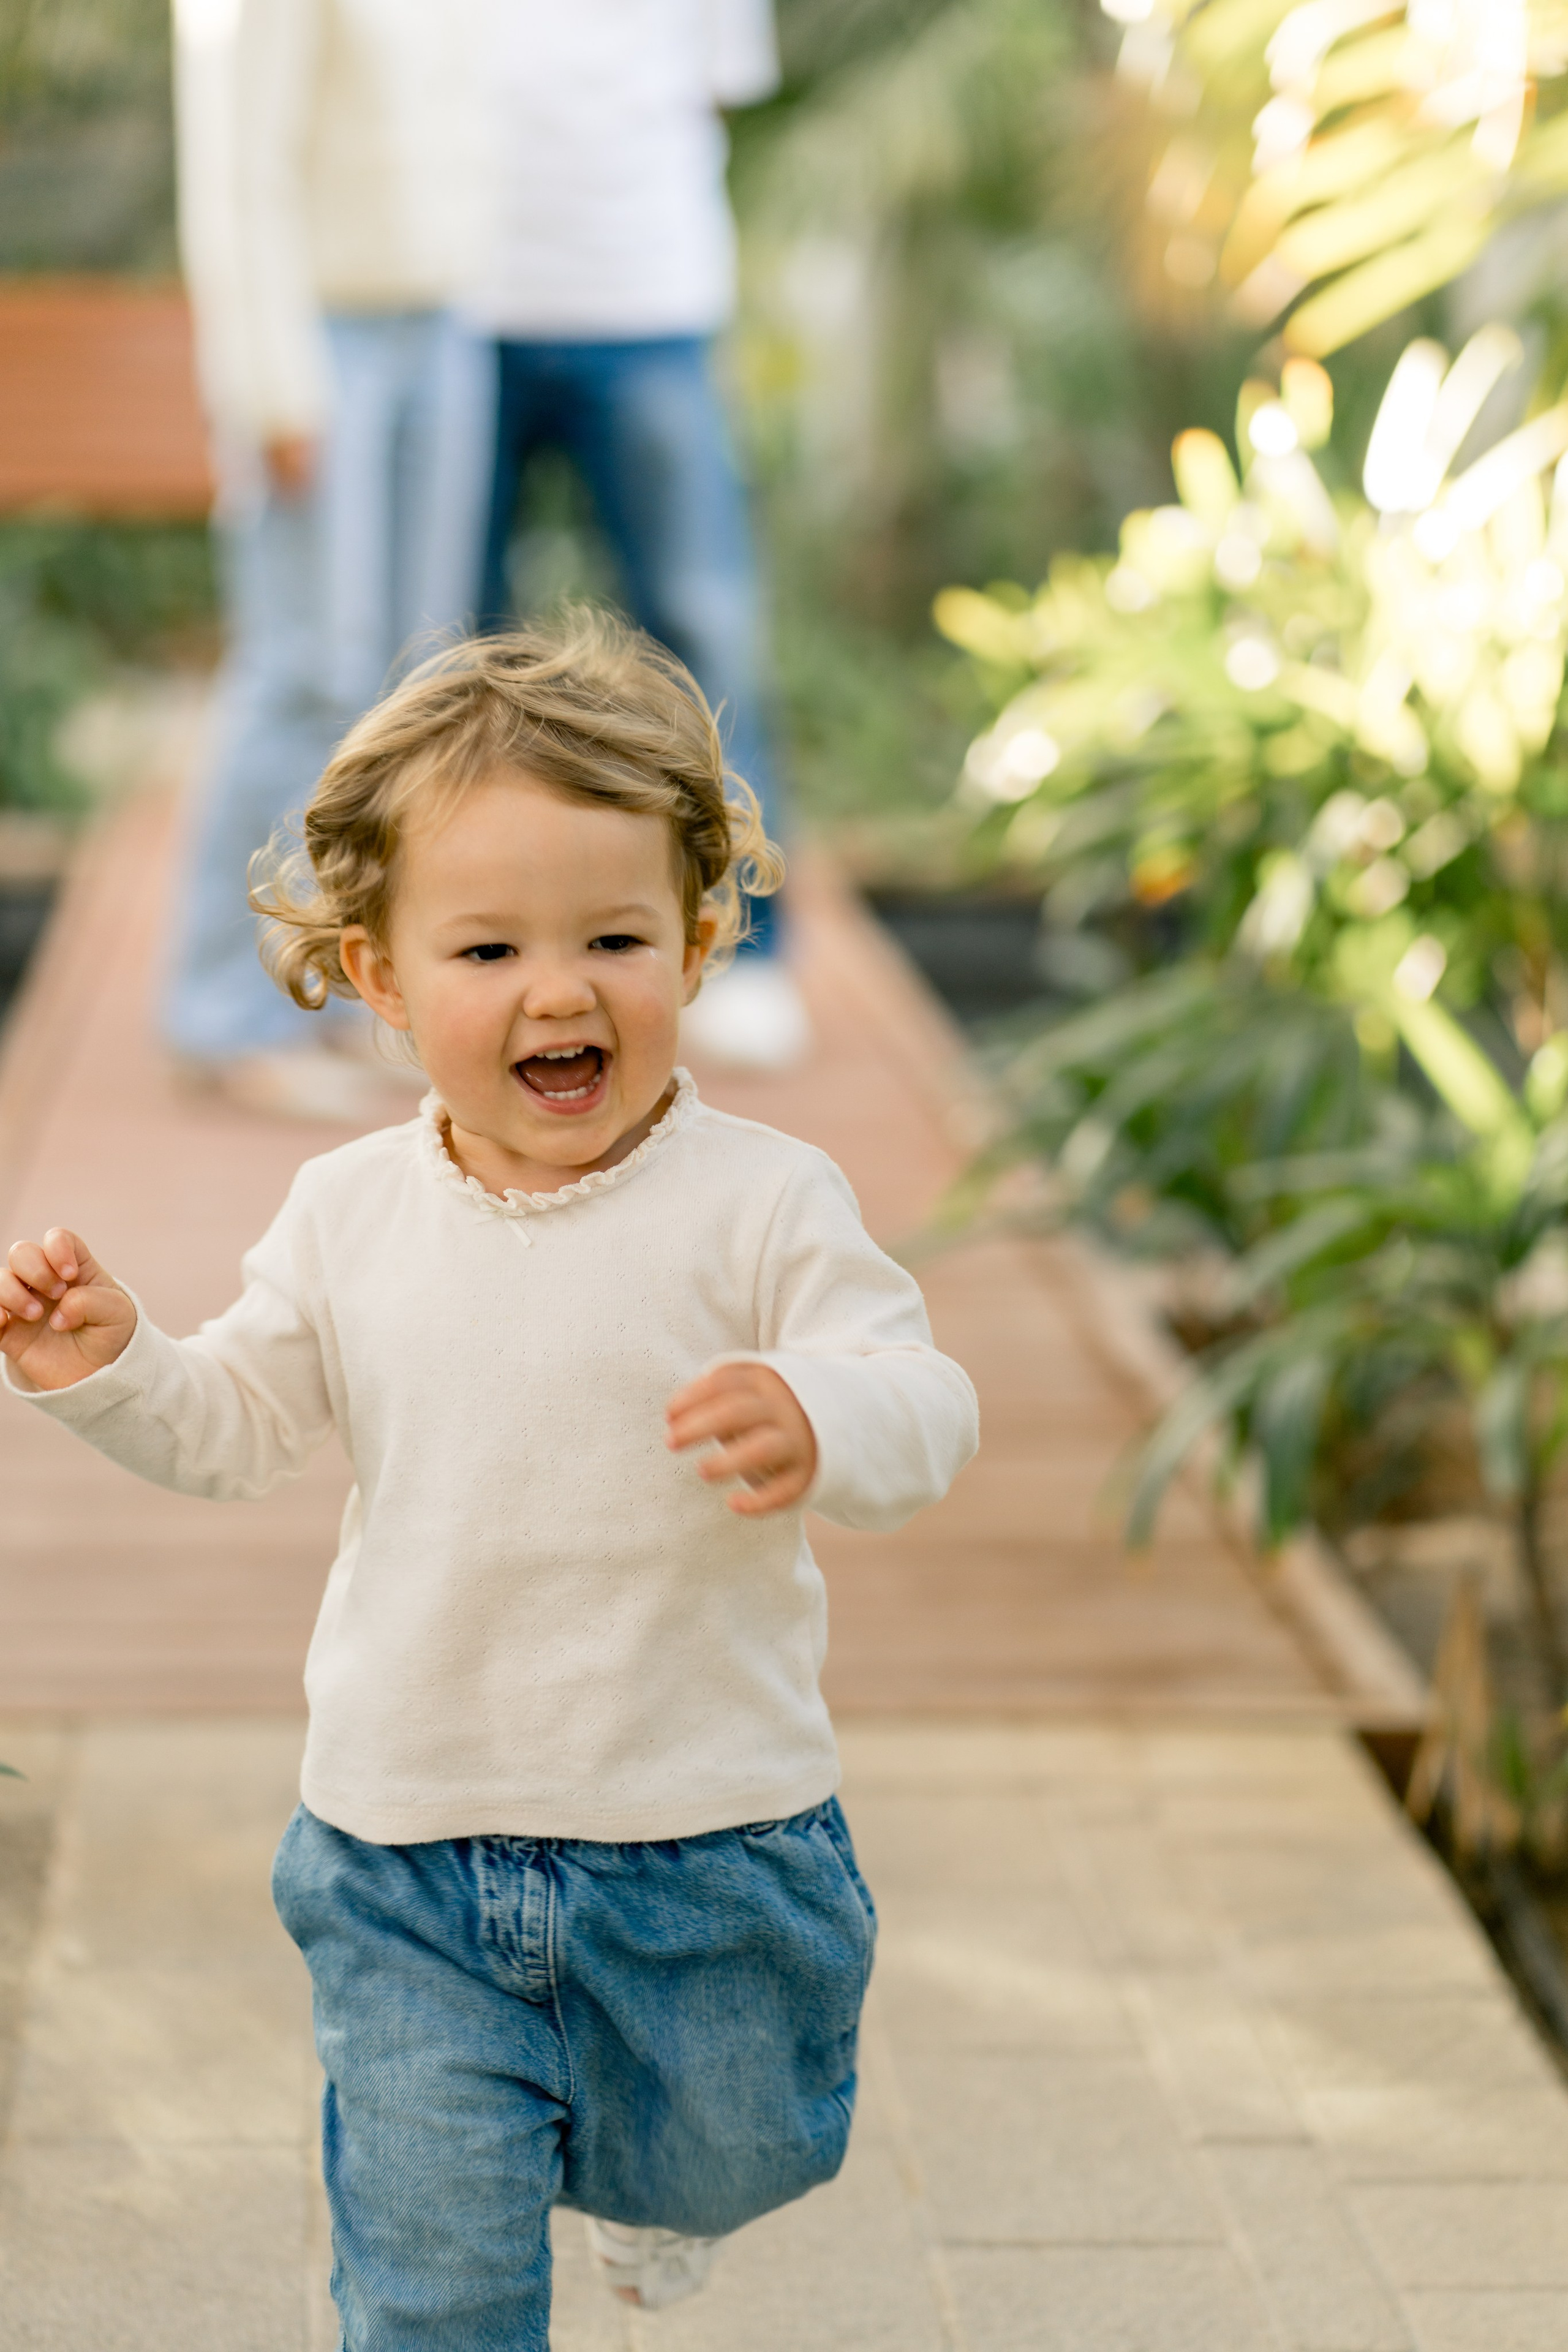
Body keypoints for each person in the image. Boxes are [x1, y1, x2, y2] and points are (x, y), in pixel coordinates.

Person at [0, 617, 978, 2347]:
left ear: (694, 939)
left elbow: (931, 1402)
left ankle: (645, 2192)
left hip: (711, 1839)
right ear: (377, 976)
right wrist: (120, 1367)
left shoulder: (764, 1202)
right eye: (488, 948)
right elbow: (236, 1422)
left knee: (740, 2153)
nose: (558, 990)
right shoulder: (349, 1216)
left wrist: (825, 1412)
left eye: (615, 937)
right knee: (434, 2273)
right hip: (404, 1848)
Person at [167, 0, 496, 1120]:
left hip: (443, 326)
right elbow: (237, 173)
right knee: (306, 669)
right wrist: (271, 388)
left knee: (414, 685)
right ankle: (224, 1011)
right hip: (321, 342)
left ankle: (360, 994)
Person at [473, 0, 811, 1071]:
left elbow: (715, 85)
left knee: (701, 630)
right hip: (464, 306)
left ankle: (746, 951)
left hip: (650, 294)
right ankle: (446, 954)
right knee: (454, 653)